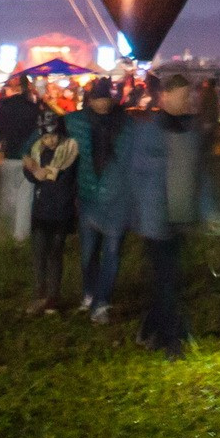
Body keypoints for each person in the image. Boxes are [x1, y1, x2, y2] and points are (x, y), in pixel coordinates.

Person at [120, 73, 220, 358]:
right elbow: (132, 174)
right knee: (167, 281)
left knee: (168, 282)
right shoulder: (147, 131)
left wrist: (210, 211)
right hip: (156, 220)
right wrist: (134, 212)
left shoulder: (191, 132)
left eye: (188, 96)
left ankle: (150, 330)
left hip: (182, 218)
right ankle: (172, 342)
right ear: (164, 97)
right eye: (180, 96)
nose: (186, 101)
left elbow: (200, 176)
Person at [71, 78, 129, 323]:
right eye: (98, 99)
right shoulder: (75, 122)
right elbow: (44, 134)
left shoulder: (125, 122)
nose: (103, 104)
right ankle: (90, 293)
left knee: (112, 252)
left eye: (106, 99)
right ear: (90, 100)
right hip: (88, 196)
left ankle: (101, 302)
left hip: (117, 199)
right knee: (88, 252)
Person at [22, 106, 82, 313]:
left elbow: (69, 181)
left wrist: (42, 173)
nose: (50, 141)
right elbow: (30, 173)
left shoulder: (70, 151)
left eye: (53, 136)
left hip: (61, 212)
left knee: (55, 254)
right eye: (46, 137)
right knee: (39, 254)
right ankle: (39, 294)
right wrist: (33, 172)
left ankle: (52, 298)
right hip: (40, 211)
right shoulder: (38, 151)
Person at [0, 76, 40, 243]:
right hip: (28, 158)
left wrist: (0, 141)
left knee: (8, 195)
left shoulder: (3, 106)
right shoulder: (33, 108)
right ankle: (20, 234)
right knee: (25, 197)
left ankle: (5, 230)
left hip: (9, 155)